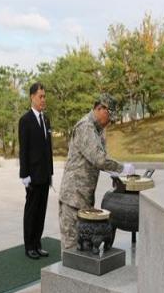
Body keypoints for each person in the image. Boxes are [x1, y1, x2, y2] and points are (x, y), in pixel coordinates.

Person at [58, 94, 135, 252]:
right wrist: (121, 169)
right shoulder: (85, 127)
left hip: (84, 198)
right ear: (100, 108)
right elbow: (99, 159)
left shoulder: (97, 130)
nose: (110, 122)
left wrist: (114, 174)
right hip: (73, 198)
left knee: (83, 249)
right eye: (109, 116)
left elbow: (100, 161)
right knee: (72, 249)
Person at [18, 82, 53, 260]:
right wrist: (24, 175)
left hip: (44, 175)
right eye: (40, 96)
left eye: (44, 96)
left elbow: (49, 148)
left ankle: (38, 243)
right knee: (31, 211)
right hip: (32, 175)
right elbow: (23, 150)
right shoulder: (25, 120)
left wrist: (51, 172)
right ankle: (29, 246)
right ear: (32, 97)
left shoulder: (46, 119)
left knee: (41, 212)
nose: (43, 100)